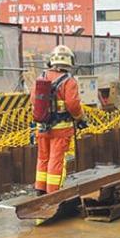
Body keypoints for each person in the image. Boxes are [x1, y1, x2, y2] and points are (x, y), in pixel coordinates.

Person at [32, 45, 85, 195]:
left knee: (43, 158)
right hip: (60, 129)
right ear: (69, 61)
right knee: (56, 159)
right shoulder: (69, 81)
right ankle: (53, 193)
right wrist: (80, 118)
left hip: (42, 127)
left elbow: (33, 100)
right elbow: (73, 105)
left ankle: (40, 189)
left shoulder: (41, 77)